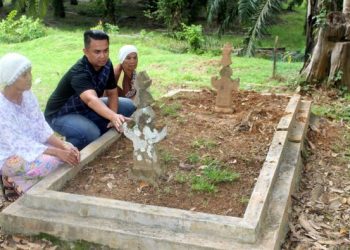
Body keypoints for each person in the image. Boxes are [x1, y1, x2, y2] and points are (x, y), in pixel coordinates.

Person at [0, 53, 80, 201]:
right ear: (11, 79)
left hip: (36, 146)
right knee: (56, 161)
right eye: (24, 75)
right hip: (11, 155)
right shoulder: (1, 107)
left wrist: (62, 146)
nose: (30, 77)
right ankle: (11, 178)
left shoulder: (28, 95)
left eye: (30, 72)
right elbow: (19, 143)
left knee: (70, 149)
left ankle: (24, 183)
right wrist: (57, 152)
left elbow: (40, 126)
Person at [45, 30, 136, 150]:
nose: (103, 56)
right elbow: (91, 99)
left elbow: (112, 92)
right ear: (86, 52)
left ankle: (92, 127)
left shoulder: (107, 64)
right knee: (92, 134)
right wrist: (113, 117)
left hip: (86, 109)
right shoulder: (79, 72)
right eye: (97, 52)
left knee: (128, 105)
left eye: (106, 50)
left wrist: (113, 116)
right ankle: (63, 147)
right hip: (61, 114)